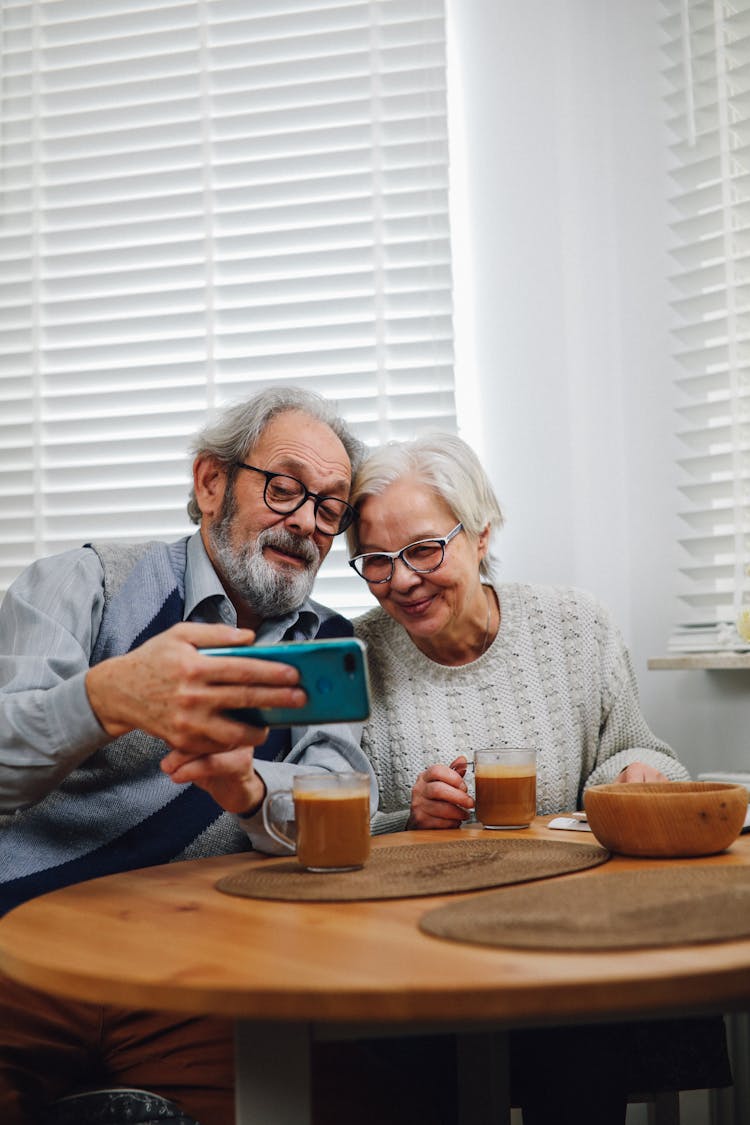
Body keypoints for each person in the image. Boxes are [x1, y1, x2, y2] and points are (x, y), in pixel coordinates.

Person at [0, 385, 377, 1125]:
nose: (305, 521)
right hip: (23, 947)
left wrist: (248, 785)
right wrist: (106, 699)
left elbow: (345, 813)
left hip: (196, 974)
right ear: (211, 483)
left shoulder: (327, 648)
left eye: (328, 508)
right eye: (285, 488)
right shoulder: (83, 583)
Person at [342, 432, 731, 1125]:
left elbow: (641, 750)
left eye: (424, 550)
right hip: (414, 954)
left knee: (579, 1029)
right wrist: (409, 814)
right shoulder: (355, 654)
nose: (401, 580)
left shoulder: (574, 626)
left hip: (563, 941)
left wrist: (633, 777)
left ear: (483, 531)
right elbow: (323, 820)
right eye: (375, 561)